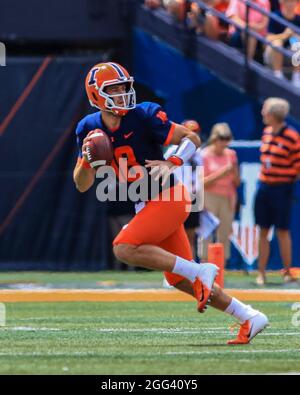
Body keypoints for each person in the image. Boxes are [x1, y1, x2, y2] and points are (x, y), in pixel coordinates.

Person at [73, 61, 268, 344]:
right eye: (113, 89)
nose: (123, 93)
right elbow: (81, 185)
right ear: (96, 95)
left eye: (124, 87)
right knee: (180, 280)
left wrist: (173, 160)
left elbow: (192, 138)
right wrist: (88, 161)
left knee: (124, 248)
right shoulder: (88, 128)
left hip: (169, 197)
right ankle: (248, 316)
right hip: (145, 203)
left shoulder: (143, 114)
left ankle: (200, 270)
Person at [254, 97, 300, 285]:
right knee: (262, 230)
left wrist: (284, 181)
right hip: (264, 187)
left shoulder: (291, 136)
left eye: (265, 110)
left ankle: (287, 271)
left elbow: (298, 167)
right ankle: (261, 273)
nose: (262, 113)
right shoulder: (266, 132)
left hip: (282, 188)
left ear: (273, 114)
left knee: (282, 230)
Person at [201, 123, 240, 264]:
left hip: (227, 197)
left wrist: (234, 172)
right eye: (221, 138)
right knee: (206, 234)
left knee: (224, 234)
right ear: (214, 138)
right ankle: (204, 267)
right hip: (209, 197)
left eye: (227, 138)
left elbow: (237, 182)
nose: (224, 142)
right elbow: (202, 182)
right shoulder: (204, 155)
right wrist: (222, 173)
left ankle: (220, 270)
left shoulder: (231, 154)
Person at [164, 119, 203, 259]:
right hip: (176, 195)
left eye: (195, 132)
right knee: (174, 235)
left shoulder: (199, 154)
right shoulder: (173, 151)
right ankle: (173, 271)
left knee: (190, 237)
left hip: (193, 197)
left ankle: (190, 269)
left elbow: (199, 176)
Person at [264, 0, 300, 86]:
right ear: (282, 2)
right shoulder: (275, 16)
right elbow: (268, 38)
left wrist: (295, 37)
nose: (290, 4)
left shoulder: (298, 19)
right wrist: (284, 35)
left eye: (292, 1)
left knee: (297, 42)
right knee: (277, 43)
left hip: (290, 56)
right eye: (287, 1)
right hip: (272, 55)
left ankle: (297, 77)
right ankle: (278, 75)